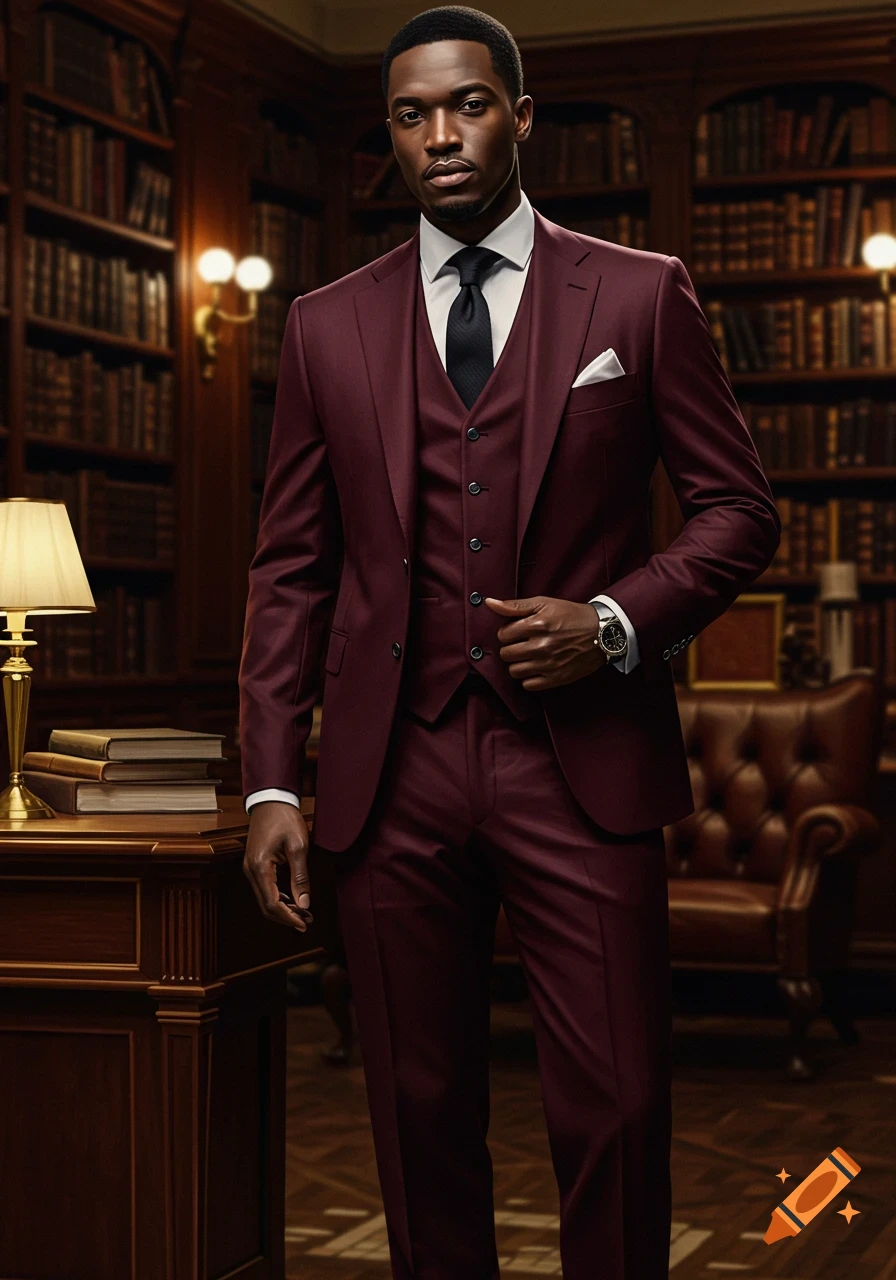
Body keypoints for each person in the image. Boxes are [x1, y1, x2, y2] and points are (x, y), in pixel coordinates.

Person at [237, 7, 781, 1277]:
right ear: (390, 136)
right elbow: (290, 566)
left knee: (618, 1106)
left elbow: (737, 511)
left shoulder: (638, 292)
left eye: (468, 105)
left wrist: (612, 620)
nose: (440, 134)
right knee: (416, 1111)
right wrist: (268, 779)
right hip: (390, 767)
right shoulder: (326, 322)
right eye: (411, 114)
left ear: (519, 116)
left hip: (578, 758)